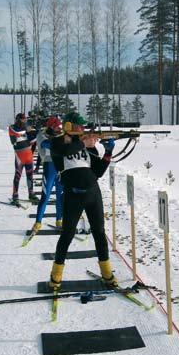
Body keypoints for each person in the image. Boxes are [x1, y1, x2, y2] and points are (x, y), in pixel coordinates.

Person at [48, 111, 117, 290]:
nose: (83, 129)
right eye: (79, 126)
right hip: (73, 194)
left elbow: (98, 171)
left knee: (100, 233)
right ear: (68, 126)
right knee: (67, 234)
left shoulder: (86, 145)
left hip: (93, 193)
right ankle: (56, 277)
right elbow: (64, 151)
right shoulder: (57, 142)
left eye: (83, 126)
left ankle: (107, 274)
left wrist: (107, 153)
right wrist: (83, 143)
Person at [32, 116, 64, 233]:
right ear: (50, 127)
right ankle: (38, 222)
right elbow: (48, 145)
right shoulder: (41, 135)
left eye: (59, 127)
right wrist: (62, 140)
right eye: (56, 127)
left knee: (60, 196)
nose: (59, 130)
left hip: (60, 166)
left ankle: (59, 221)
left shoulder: (59, 135)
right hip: (49, 166)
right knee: (45, 195)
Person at [8, 113, 39, 205]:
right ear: (18, 119)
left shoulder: (26, 129)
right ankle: (15, 195)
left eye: (25, 119)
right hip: (19, 156)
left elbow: (32, 141)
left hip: (28, 155)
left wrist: (36, 132)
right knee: (18, 175)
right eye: (22, 119)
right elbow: (17, 133)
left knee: (30, 175)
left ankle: (31, 194)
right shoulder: (12, 127)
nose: (24, 121)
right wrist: (28, 129)